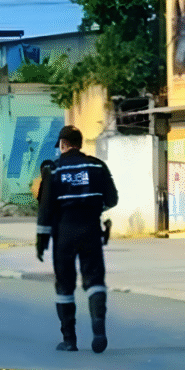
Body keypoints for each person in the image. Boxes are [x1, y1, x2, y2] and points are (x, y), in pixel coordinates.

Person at [36, 125, 119, 353]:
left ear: (63, 145)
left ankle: (69, 340)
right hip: (91, 229)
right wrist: (94, 208)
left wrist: (41, 240)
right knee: (95, 280)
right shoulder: (97, 166)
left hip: (64, 232)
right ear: (80, 144)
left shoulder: (54, 170)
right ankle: (98, 327)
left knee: (64, 285)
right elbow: (112, 199)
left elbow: (45, 208)